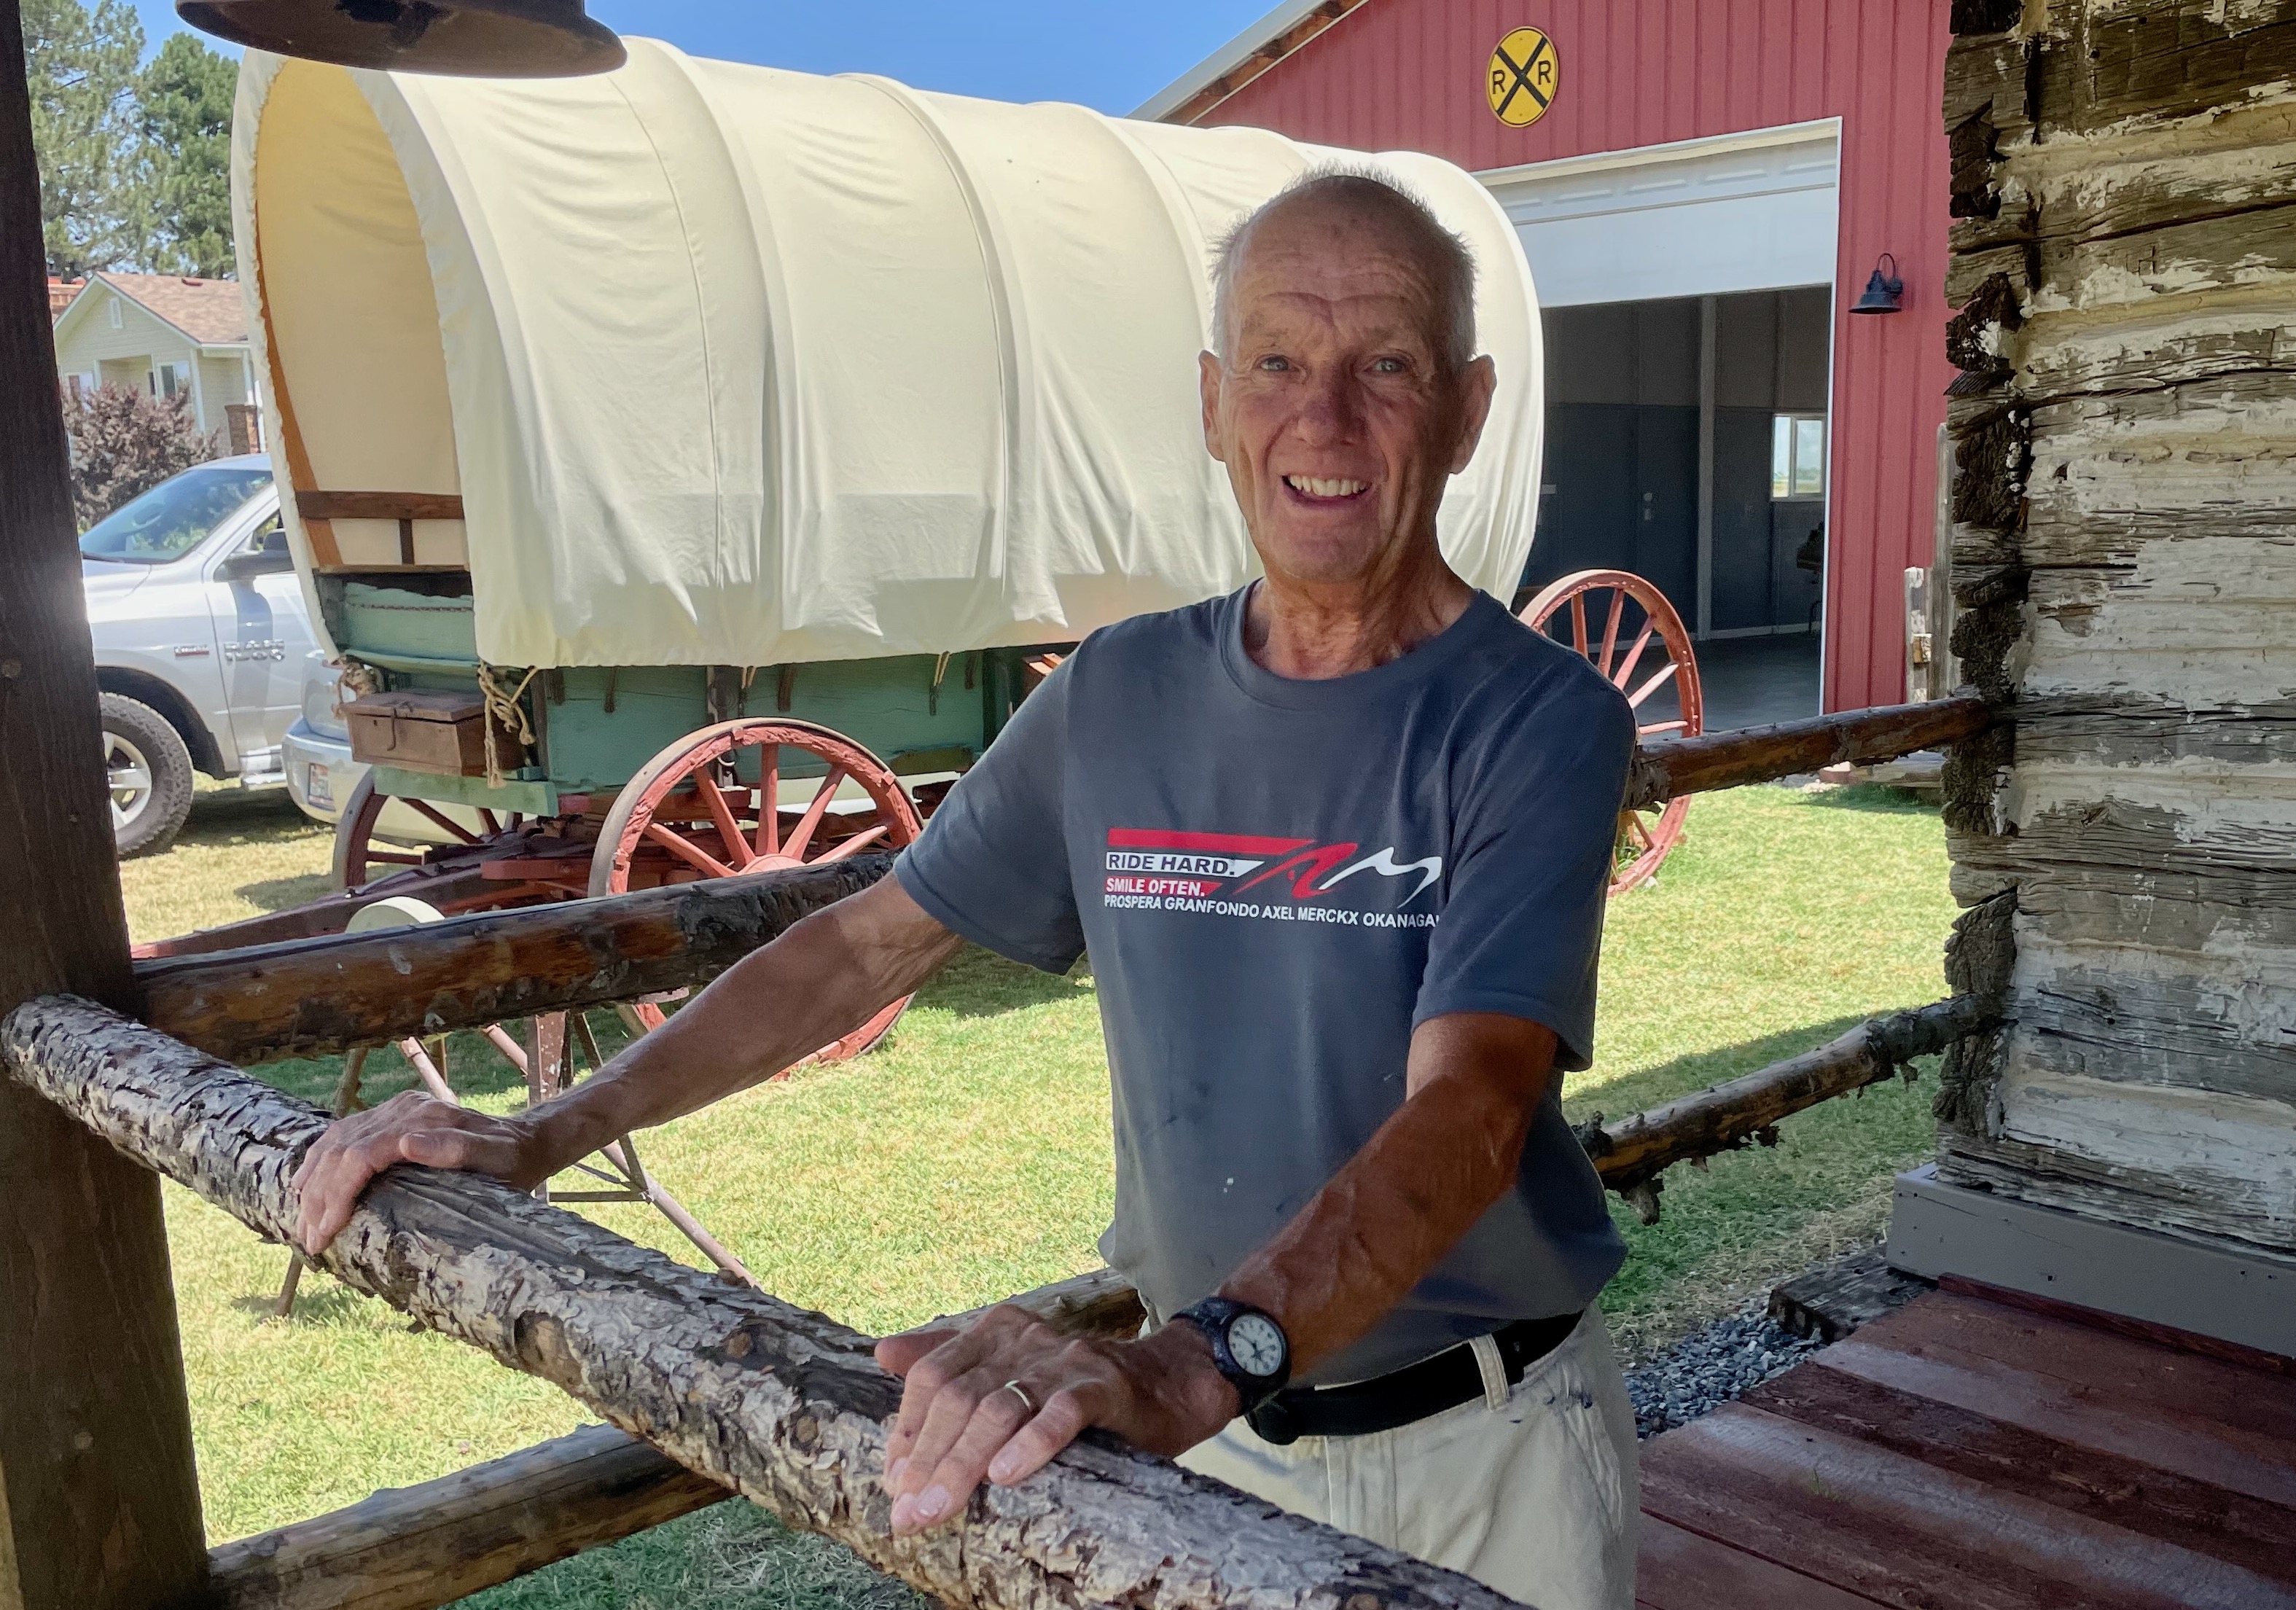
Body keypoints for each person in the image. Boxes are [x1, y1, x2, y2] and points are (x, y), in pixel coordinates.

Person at [293, 169, 1639, 1610]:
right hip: (1222, 1455)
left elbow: (1475, 1105)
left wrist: (1195, 1360)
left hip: (1480, 1451)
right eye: (1274, 364)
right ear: (1208, 402)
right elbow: (860, 947)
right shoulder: (1119, 692)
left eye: (1385, 365)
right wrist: (552, 1129)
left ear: (1467, 408)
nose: (1322, 421)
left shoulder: (1537, 717)